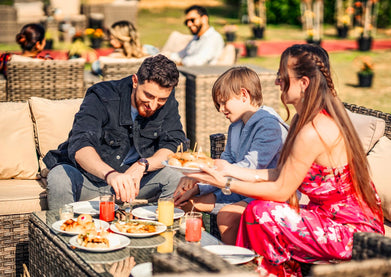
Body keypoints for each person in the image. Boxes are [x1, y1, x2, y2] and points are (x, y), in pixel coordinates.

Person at [183, 44, 385, 276]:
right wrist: (228, 170)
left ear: (304, 83)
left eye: (282, 76)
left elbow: (281, 190)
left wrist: (226, 182)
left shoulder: (314, 130)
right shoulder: (303, 119)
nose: (278, 82)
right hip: (326, 216)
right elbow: (281, 173)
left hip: (353, 231)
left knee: (261, 212)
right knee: (255, 211)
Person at [44, 54, 188, 210]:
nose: (153, 105)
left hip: (134, 183)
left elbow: (174, 143)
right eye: (148, 95)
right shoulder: (102, 95)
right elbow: (80, 144)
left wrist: (144, 165)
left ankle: (162, 230)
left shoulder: (166, 100)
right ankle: (63, 230)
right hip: (89, 179)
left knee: (176, 177)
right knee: (59, 177)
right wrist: (111, 175)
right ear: (135, 81)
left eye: (161, 99)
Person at [173, 66, 288, 245]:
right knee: (185, 201)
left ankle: (236, 263)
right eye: (218, 104)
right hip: (239, 188)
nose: (221, 109)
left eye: (224, 102)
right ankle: (199, 246)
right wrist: (197, 187)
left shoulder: (269, 126)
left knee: (227, 216)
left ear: (244, 95)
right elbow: (228, 160)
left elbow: (250, 168)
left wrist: (206, 178)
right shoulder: (236, 125)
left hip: (265, 190)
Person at [91, 20, 157, 75]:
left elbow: (95, 68)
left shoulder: (112, 58)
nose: (111, 42)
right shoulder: (150, 50)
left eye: (112, 38)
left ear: (121, 38)